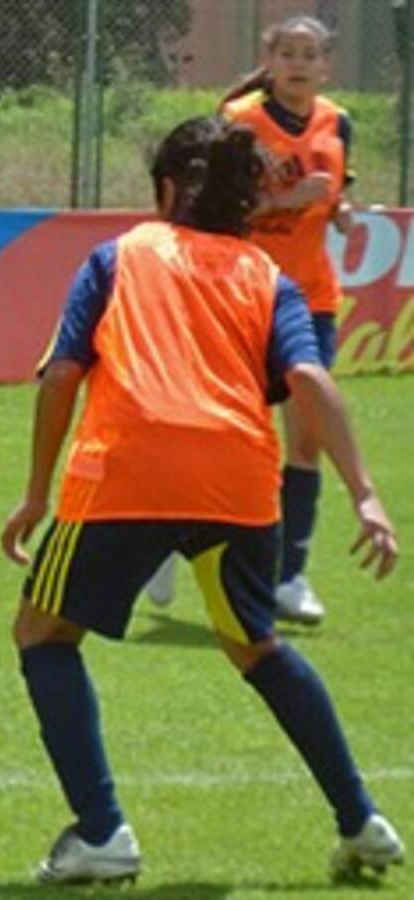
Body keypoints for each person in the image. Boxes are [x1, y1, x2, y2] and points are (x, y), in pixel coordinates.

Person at [0, 116, 403, 885]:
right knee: (257, 647)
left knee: (43, 634)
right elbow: (311, 381)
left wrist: (34, 494)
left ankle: (101, 832)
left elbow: (60, 376)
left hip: (128, 470)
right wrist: (367, 496)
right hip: (240, 482)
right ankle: (362, 821)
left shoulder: (118, 256)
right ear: (248, 204)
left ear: (163, 190)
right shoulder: (269, 278)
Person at [145, 16, 354, 624]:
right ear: (270, 59)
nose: (298, 63)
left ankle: (290, 575)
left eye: (310, 54)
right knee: (218, 428)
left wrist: (336, 208)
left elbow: (335, 184)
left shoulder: (337, 120)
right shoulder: (240, 119)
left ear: (325, 66)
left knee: (307, 435)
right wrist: (287, 201)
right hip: (239, 292)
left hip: (310, 296)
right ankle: (161, 537)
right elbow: (213, 209)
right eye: (287, 52)